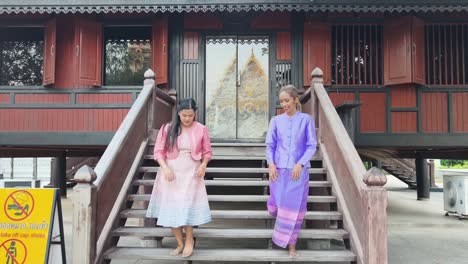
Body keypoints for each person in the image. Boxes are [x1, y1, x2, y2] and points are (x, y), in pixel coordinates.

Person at [146, 98, 212, 258]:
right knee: (172, 208)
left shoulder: (201, 129)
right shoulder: (167, 128)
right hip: (171, 173)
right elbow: (158, 151)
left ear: (195, 113)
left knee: (188, 206)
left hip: (192, 172)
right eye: (184, 115)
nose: (188, 119)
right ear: (179, 114)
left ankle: (189, 240)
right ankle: (180, 243)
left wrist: (204, 164)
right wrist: (165, 168)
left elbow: (207, 152)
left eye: (190, 115)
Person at [265, 85, 317, 258]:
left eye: (287, 100)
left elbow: (311, 145)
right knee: (278, 205)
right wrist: (271, 164)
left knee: (294, 208)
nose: (284, 104)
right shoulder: (275, 120)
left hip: (298, 172)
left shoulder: (306, 120)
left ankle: (291, 244)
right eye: (281, 101)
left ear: (295, 99)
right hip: (278, 170)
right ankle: (281, 226)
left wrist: (300, 163)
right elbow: (270, 145)